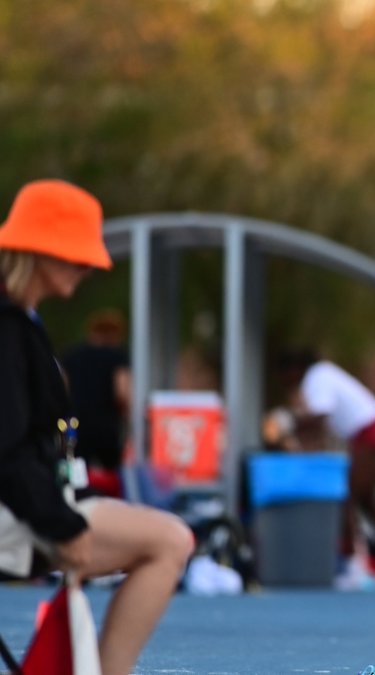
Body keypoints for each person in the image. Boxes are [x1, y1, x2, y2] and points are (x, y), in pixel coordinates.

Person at [0, 179, 194, 674]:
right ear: (39, 250)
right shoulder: (8, 328)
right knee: (171, 541)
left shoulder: (21, 321)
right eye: (75, 255)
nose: (87, 267)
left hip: (26, 501)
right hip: (15, 510)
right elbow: (7, 448)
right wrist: (61, 525)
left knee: (165, 537)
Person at [280, 349, 375, 580]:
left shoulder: (317, 377)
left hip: (369, 431)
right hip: (370, 430)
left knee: (345, 496)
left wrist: (289, 423)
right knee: (367, 499)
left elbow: (320, 418)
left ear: (295, 369)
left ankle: (351, 561)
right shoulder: (322, 374)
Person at [62, 308, 132, 498]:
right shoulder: (117, 356)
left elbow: (62, 391)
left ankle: (78, 504)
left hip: (77, 424)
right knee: (114, 476)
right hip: (106, 425)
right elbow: (122, 391)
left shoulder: (72, 355)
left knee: (76, 474)